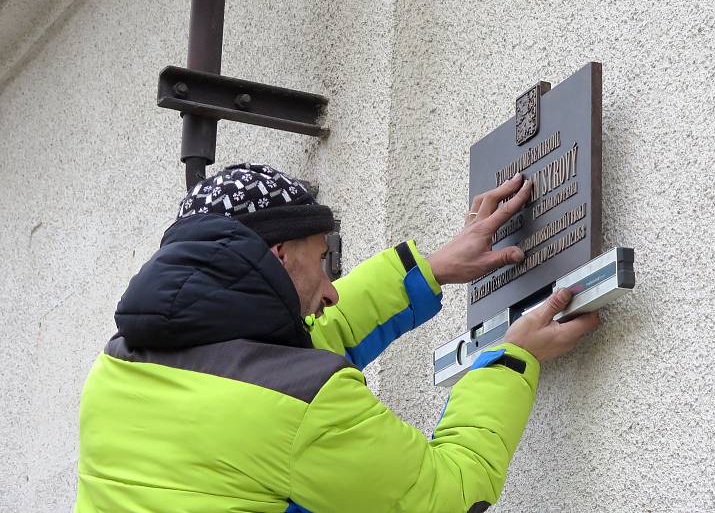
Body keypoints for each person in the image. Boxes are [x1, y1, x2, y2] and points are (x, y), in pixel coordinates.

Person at [76, 163, 598, 512]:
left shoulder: (116, 371)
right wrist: (514, 358)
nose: (330, 290)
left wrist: (429, 270)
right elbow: (450, 493)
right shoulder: (300, 407)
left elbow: (285, 355)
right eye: (322, 260)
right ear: (279, 255)